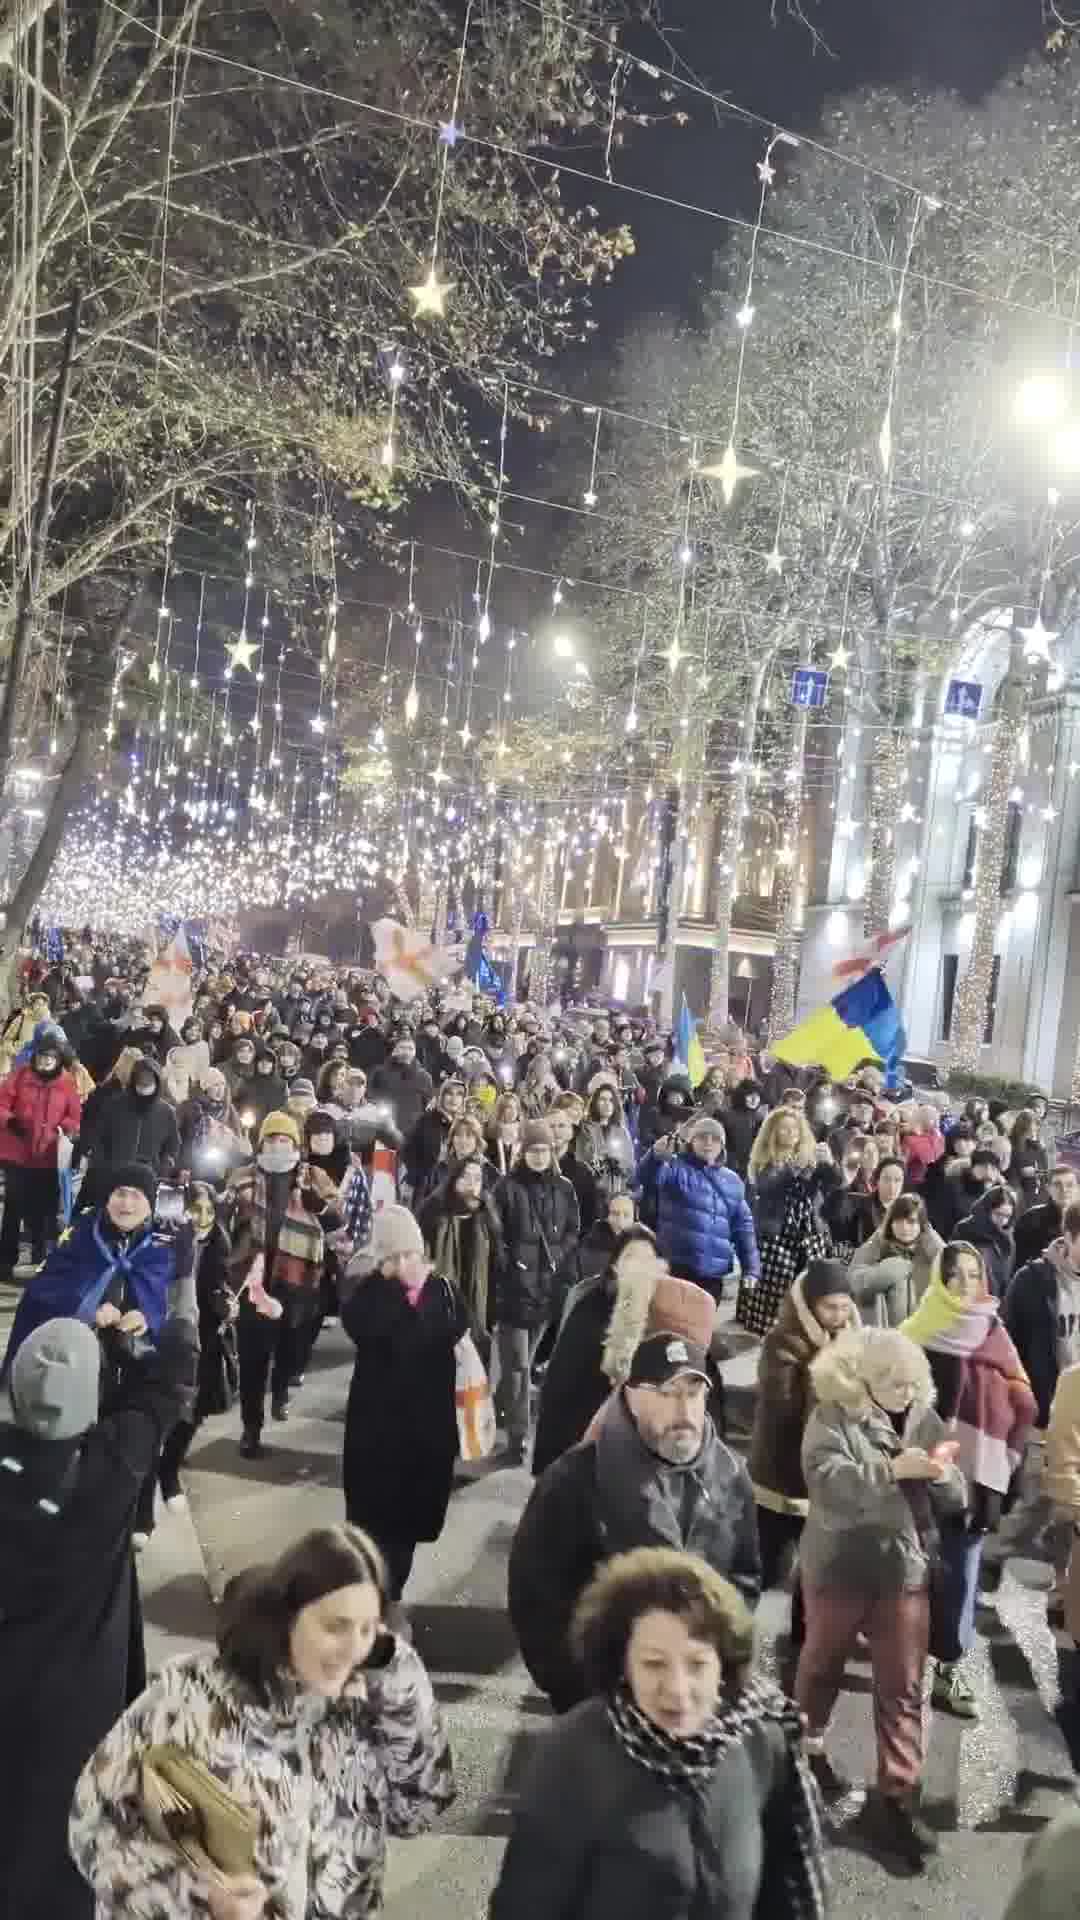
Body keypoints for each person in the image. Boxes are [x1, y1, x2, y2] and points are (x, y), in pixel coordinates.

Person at [70, 1524, 455, 1920]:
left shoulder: (365, 1708)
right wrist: (198, 1897)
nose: (351, 1648)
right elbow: (92, 1823)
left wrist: (399, 1679)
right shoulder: (187, 1695)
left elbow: (418, 1811)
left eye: (366, 1630)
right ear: (287, 1618)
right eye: (334, 1626)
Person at [490, 1547, 827, 1920]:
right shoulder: (572, 1755)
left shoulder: (763, 1738)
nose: (678, 1690)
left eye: (697, 1663)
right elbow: (524, 1906)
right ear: (623, 1666)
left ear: (724, 1662)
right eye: (653, 1664)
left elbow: (787, 1887)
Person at [0, 1312, 197, 1920]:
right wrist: (127, 1343)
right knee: (64, 1830)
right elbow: (173, 1378)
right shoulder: (113, 1465)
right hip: (81, 1694)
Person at [509, 1329, 761, 1713]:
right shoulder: (573, 1482)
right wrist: (580, 1691)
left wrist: (715, 1665)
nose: (684, 1410)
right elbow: (538, 1602)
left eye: (693, 1393)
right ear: (630, 1396)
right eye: (667, 1393)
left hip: (693, 1698)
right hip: (604, 1703)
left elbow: (743, 1579)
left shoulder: (730, 1476)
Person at [795, 1325, 965, 1869]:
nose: (904, 1391)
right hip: (840, 1567)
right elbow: (827, 1483)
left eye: (911, 1381)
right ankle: (805, 1752)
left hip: (903, 1570)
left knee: (903, 1687)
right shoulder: (829, 1416)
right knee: (820, 1667)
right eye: (891, 1381)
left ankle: (896, 1796)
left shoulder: (925, 1417)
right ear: (861, 1380)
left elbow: (955, 1494)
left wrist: (940, 1477)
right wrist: (893, 1470)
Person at [899, 1241, 1036, 1720]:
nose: (964, 1284)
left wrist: (1008, 1455)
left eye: (973, 1275)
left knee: (961, 1576)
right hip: (919, 1476)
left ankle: (947, 1669)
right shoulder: (915, 1334)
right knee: (909, 1572)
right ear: (939, 1279)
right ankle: (899, 1660)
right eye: (954, 1275)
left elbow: (1023, 1398)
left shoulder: (993, 1330)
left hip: (976, 1480)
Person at [341, 1208, 468, 1598]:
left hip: (427, 1433)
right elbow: (369, 1330)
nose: (403, 1265)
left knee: (409, 1531)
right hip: (378, 1435)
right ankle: (375, 1599)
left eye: (409, 1254)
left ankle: (390, 1596)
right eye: (392, 1258)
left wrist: (420, 1301)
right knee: (374, 1530)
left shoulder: (443, 1290)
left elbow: (456, 1327)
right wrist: (403, 1300)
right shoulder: (368, 1296)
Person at [532, 1221, 716, 1477]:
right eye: (630, 1257)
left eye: (647, 1259)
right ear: (615, 1265)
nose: (638, 1267)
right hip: (589, 1446)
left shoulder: (676, 1316)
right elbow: (561, 1389)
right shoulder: (589, 1308)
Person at [749, 1258, 859, 1656]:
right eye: (830, 1307)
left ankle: (804, 1638)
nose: (838, 1315)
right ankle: (745, 1633)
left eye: (845, 1306)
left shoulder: (854, 1337)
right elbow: (781, 1405)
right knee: (770, 1561)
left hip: (824, 1474)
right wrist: (826, 1373)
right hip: (779, 1471)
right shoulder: (782, 1341)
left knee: (816, 1565)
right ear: (810, 1305)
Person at [228, 1110, 342, 1457]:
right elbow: (221, 1222)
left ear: (296, 1145)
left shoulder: (313, 1176)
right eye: (272, 1139)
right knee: (252, 1357)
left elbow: (339, 1223)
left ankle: (280, 1388)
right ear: (261, 1142)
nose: (278, 1145)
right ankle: (251, 1428)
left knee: (292, 1352)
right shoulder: (243, 1177)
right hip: (254, 1279)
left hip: (300, 1280)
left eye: (285, 1140)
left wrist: (317, 1206)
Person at [984, 1198, 1080, 1609]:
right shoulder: (1033, 1280)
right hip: (1046, 1406)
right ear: (1069, 1237)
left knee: (1068, 1506)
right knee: (1045, 1499)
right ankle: (990, 1557)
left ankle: (1067, 1587)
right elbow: (1005, 1344)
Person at [493, 1118, 580, 1463]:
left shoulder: (564, 1188)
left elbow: (574, 1229)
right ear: (523, 1152)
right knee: (519, 1367)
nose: (540, 1156)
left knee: (524, 1362)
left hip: (547, 1289)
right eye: (533, 1149)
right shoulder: (506, 1187)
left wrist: (558, 1255)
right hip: (515, 1289)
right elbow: (496, 1234)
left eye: (544, 1150)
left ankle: (500, 1406)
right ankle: (518, 1437)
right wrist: (512, 1263)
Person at [157, 1183, 239, 1508]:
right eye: (195, 1209)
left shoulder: (220, 1242)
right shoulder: (166, 1238)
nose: (202, 1217)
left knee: (195, 1409)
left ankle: (169, 1468)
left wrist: (228, 1305)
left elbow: (223, 1286)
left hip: (203, 1338)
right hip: (167, 1330)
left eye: (208, 1210)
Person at [638, 1115, 759, 1304]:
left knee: (702, 1330)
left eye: (715, 1138)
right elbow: (647, 1177)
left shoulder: (733, 1180)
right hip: (676, 1267)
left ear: (722, 1145)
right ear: (692, 1141)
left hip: (713, 1275)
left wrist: (751, 1269)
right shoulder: (675, 1167)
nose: (708, 1143)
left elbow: (743, 1227)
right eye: (702, 1137)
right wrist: (654, 1156)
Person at [736, 1109, 832, 1339]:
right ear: (773, 1133)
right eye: (784, 1128)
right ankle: (770, 1332)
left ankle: (803, 1330)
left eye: (795, 1129)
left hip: (808, 1231)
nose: (791, 1133)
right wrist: (795, 1167)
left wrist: (829, 1164)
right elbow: (767, 1186)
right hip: (776, 1232)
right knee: (774, 1289)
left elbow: (830, 1186)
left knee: (808, 1286)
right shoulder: (763, 1160)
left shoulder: (809, 1158)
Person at [0, 1030, 81, 1278]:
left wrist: (66, 1128)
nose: (45, 1061)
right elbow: (1, 1104)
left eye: (51, 1057)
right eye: (42, 1056)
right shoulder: (18, 1077)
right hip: (17, 1154)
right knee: (13, 1208)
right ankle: (5, 1261)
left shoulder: (66, 1084)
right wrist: (10, 1121)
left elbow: (74, 1115)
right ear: (34, 1057)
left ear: (58, 1060)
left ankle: (41, 1259)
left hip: (47, 1157)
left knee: (43, 1211)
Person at [418, 1154, 502, 1356]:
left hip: (478, 1306)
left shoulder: (486, 1214)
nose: (471, 1184)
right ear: (454, 1178)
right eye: (466, 1176)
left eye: (477, 1179)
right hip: (440, 1300)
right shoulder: (433, 1210)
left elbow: (495, 1263)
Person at [849, 1193, 943, 1328]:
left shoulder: (931, 1250)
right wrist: (889, 1271)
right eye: (898, 1221)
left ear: (921, 1224)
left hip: (925, 1336)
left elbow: (952, 1267)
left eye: (911, 1222)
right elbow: (855, 1281)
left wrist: (932, 1239)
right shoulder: (877, 1245)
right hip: (886, 1338)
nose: (904, 1228)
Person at [82, 1052, 180, 1180]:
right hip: (113, 1174)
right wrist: (101, 1166)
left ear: (157, 1084)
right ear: (133, 1081)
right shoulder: (114, 1105)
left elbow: (172, 1145)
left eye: (148, 1086)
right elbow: (98, 1137)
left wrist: (165, 1166)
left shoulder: (166, 1112)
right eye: (141, 1085)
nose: (144, 1090)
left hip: (149, 1177)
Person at [574, 1080, 635, 1203]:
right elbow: (581, 1160)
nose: (607, 1104)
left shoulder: (622, 1132)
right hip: (590, 1193)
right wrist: (601, 1165)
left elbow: (630, 1165)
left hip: (616, 1194)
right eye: (602, 1099)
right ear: (595, 1102)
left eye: (611, 1100)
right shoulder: (585, 1129)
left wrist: (619, 1165)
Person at [953, 1181, 1015, 1299]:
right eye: (998, 1214)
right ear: (987, 1210)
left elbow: (1006, 1276)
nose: (1002, 1221)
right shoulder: (966, 1229)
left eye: (1007, 1216)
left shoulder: (1007, 1236)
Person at [369, 1030, 434, 1141]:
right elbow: (371, 1098)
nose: (406, 1052)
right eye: (402, 1047)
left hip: (413, 1134)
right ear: (395, 1050)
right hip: (384, 1133)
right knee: (383, 1158)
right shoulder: (379, 1072)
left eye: (410, 1048)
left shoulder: (425, 1076)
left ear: (415, 1052)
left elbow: (427, 1106)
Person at [1015, 1164, 1080, 1269]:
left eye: (1070, 1185)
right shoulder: (1030, 1219)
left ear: (1078, 1188)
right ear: (1048, 1188)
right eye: (1057, 1185)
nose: (1064, 1189)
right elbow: (1019, 1264)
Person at [549, 1103, 599, 1234]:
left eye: (561, 1126)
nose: (556, 1131)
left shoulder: (583, 1173)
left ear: (570, 1132)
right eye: (551, 1126)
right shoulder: (532, 1169)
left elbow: (590, 1219)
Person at [717, 1077, 765, 1181]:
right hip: (728, 1168)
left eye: (757, 1096)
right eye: (750, 1095)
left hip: (751, 1170)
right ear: (741, 1095)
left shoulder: (760, 1118)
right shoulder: (725, 1115)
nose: (754, 1099)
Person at [637, 1070, 694, 1155]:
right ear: (666, 1095)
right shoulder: (654, 1113)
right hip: (659, 1154)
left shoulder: (691, 1115)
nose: (677, 1099)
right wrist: (663, 1142)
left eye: (681, 1096)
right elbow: (645, 1136)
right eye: (674, 1095)